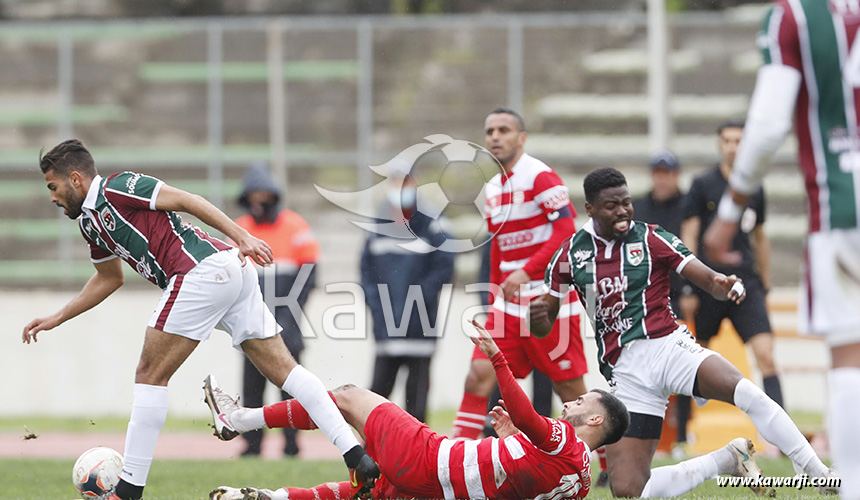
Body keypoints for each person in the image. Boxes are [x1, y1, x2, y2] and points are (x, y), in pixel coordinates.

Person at [22, 140, 379, 500]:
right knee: (286, 371)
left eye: (53, 187)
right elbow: (108, 278)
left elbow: (186, 200)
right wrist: (58, 317)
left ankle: (128, 490)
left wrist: (241, 236)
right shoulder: (90, 225)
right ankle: (356, 457)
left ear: (76, 178)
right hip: (229, 273)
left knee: (150, 374)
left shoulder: (119, 186)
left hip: (201, 270)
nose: (52, 197)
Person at [530, 168, 834, 498]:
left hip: (670, 348)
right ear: (589, 209)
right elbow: (546, 320)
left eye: (626, 203)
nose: (622, 212)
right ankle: (726, 459)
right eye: (611, 205)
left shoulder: (650, 237)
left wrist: (724, 284)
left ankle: (819, 472)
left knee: (747, 392)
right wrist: (537, 316)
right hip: (627, 373)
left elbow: (706, 278)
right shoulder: (571, 254)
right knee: (629, 490)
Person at [703, 2, 860, 497]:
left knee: (850, 358)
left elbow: (768, 125)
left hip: (845, 207)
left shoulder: (796, 16)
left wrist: (728, 214)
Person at [206, 320, 630, 500]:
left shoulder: (567, 441)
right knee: (358, 491)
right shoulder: (580, 484)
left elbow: (527, 416)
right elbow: (519, 478)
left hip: (429, 456)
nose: (570, 403)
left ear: (596, 420)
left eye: (581, 402)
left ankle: (238, 420)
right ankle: (271, 497)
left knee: (347, 396)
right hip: (438, 492)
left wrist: (497, 357)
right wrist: (508, 442)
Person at [451, 108, 588, 440]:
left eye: (504, 130)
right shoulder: (494, 187)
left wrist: (526, 272)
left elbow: (566, 232)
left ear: (521, 138)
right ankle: (453, 460)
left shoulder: (539, 176)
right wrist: (492, 301)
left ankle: (604, 464)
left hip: (548, 302)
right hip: (508, 308)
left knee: (570, 392)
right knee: (477, 376)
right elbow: (496, 247)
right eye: (490, 131)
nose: (495, 137)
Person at [682, 121, 783, 412]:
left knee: (766, 355)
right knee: (691, 359)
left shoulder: (755, 186)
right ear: (719, 145)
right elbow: (690, 234)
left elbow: (759, 236)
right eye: (727, 141)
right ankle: (682, 435)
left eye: (739, 141)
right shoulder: (702, 185)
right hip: (709, 281)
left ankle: (783, 436)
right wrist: (689, 283)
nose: (733, 147)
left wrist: (764, 282)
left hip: (745, 282)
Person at [234, 163, 320, 457]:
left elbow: (310, 274)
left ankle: (292, 444)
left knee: (292, 387)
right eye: (253, 196)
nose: (259, 202)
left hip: (288, 322)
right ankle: (252, 445)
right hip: (250, 324)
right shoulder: (239, 228)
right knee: (252, 386)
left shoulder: (295, 226)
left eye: (264, 196)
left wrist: (288, 313)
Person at [360, 161, 455, 423]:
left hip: (419, 324)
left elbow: (445, 264)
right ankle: (372, 454)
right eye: (394, 181)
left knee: (417, 396)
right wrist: (377, 306)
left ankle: (418, 456)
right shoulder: (378, 223)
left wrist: (418, 302)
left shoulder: (433, 221)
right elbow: (366, 271)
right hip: (385, 323)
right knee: (378, 393)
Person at [632, 150, 696, 460]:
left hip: (678, 293)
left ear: (676, 175)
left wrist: (688, 289)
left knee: (682, 365)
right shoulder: (639, 207)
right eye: (657, 172)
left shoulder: (688, 205)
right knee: (645, 368)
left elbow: (690, 250)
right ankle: (648, 435)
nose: (661, 178)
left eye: (667, 172)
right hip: (647, 295)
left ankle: (682, 434)